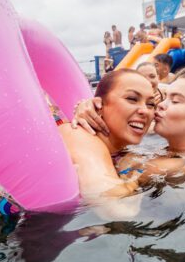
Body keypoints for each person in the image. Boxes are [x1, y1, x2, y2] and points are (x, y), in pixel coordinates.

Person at [72, 71, 185, 184]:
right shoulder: (161, 155)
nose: (160, 105)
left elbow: (113, 203)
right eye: (162, 99)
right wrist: (92, 107)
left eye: (175, 101)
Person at [58, 69, 156, 199]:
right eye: (132, 99)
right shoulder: (77, 134)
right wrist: (131, 175)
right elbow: (117, 207)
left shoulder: (124, 153)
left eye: (150, 104)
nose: (145, 111)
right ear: (98, 105)